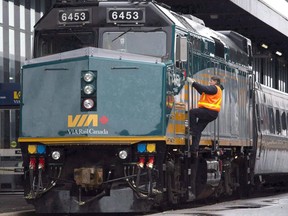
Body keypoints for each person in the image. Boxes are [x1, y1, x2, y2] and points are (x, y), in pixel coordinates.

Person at [187, 75, 224, 152]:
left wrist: (193, 83)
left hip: (209, 111)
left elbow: (203, 88)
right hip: (211, 113)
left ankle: (192, 130)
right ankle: (194, 148)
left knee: (192, 112)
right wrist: (194, 84)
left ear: (215, 82)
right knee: (198, 130)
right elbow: (201, 90)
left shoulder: (215, 88)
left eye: (211, 81)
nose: (209, 82)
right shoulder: (214, 90)